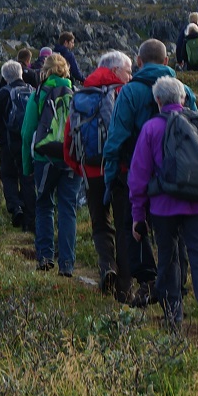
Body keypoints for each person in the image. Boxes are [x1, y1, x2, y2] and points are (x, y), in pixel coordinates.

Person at [128, 75, 198, 350]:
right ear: (183, 98)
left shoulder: (151, 129)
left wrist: (138, 215)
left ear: (157, 100)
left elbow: (138, 177)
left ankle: (173, 319)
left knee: (169, 259)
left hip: (164, 207)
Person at [101, 39, 198, 305]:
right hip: (177, 176)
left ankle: (147, 283)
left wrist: (110, 177)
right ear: (167, 62)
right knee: (174, 231)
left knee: (132, 228)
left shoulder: (129, 92)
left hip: (133, 173)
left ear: (139, 62)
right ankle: (176, 286)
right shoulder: (184, 91)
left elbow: (116, 139)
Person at [63, 50, 132, 297]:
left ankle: (106, 268)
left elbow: (69, 135)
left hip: (90, 170)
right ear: (115, 71)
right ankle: (124, 287)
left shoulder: (82, 94)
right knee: (125, 225)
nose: (130, 75)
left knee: (101, 224)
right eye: (128, 70)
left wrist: (78, 165)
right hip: (120, 171)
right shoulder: (123, 93)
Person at [22, 53, 79, 276]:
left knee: (44, 205)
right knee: (68, 209)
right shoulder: (76, 94)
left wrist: (27, 167)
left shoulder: (39, 93)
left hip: (45, 159)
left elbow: (27, 133)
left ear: (45, 70)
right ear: (66, 70)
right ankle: (67, 264)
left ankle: (45, 257)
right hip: (71, 159)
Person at [0, 59, 35, 229]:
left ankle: (15, 207)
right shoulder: (32, 91)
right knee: (28, 178)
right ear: (21, 73)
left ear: (5, 77)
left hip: (8, 144)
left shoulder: (1, 94)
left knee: (8, 176)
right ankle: (30, 221)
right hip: (28, 143)